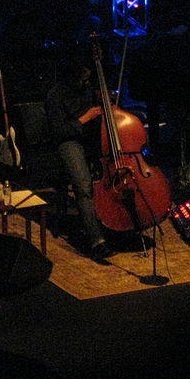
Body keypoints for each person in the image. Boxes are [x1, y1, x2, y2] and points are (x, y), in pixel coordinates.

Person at [45, 50, 115, 261]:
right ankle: (96, 240)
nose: (86, 82)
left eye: (88, 78)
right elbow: (59, 132)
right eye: (82, 78)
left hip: (93, 139)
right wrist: (85, 118)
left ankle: (114, 223)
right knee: (84, 187)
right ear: (71, 76)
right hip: (68, 141)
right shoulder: (55, 95)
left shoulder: (88, 89)